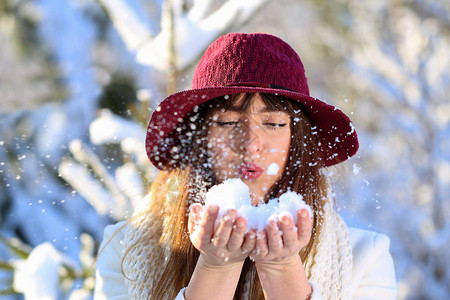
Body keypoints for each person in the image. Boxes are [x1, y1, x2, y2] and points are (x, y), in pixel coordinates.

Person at [94, 33, 397, 299]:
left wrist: (282, 271)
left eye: (274, 123)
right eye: (227, 122)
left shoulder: (364, 258)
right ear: (200, 136)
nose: (251, 143)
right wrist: (215, 270)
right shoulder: (124, 250)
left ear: (297, 140)